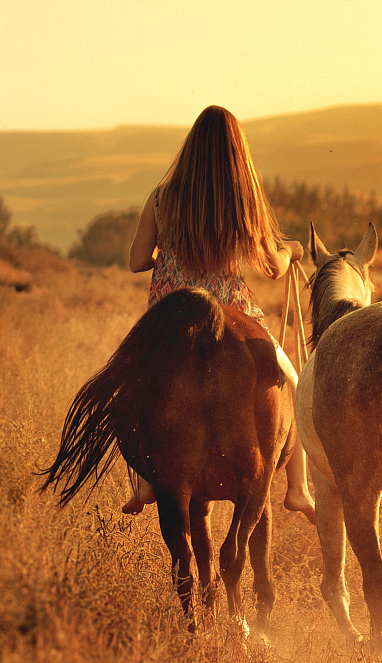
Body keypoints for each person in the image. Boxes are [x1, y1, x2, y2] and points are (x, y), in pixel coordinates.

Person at [122, 105, 315, 522]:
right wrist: (292, 250)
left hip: (171, 320)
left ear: (190, 147)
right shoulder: (244, 201)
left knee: (133, 383)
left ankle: (145, 479)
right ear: (236, 151)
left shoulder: (162, 197)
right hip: (232, 313)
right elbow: (271, 266)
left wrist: (170, 256)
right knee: (294, 382)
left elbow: (138, 260)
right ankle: (298, 490)